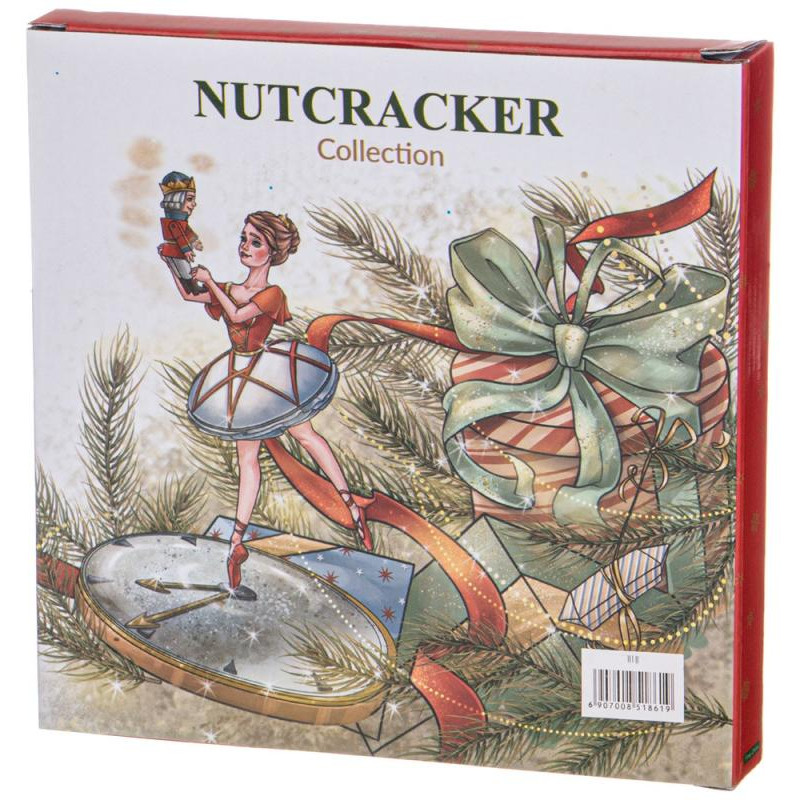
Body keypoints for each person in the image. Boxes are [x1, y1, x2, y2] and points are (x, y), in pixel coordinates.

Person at [163, 210, 373, 589]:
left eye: (255, 242)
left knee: (306, 436)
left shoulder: (272, 294)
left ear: (272, 254)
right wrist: (171, 260)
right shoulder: (229, 287)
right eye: (243, 238)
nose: (245, 246)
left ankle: (350, 504)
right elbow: (188, 293)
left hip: (268, 372)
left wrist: (211, 283)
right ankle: (237, 541)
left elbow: (238, 316)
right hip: (239, 375)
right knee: (248, 460)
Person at [158, 171, 205, 295]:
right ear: (176, 200)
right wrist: (186, 250)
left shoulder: (180, 221)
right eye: (189, 199)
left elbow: (186, 232)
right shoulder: (174, 223)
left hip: (175, 250)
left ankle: (190, 288)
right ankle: (193, 289)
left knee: (183, 271)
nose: (194, 204)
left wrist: (194, 242)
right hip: (174, 250)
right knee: (185, 271)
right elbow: (179, 236)